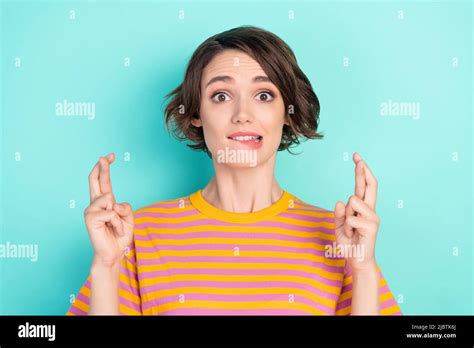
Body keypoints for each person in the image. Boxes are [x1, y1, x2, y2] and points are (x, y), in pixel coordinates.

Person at [67, 26, 401, 316]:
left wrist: (363, 269)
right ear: (196, 112)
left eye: (264, 95)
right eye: (222, 95)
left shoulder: (338, 237)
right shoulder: (137, 234)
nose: (243, 114)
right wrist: (106, 267)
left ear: (287, 112)